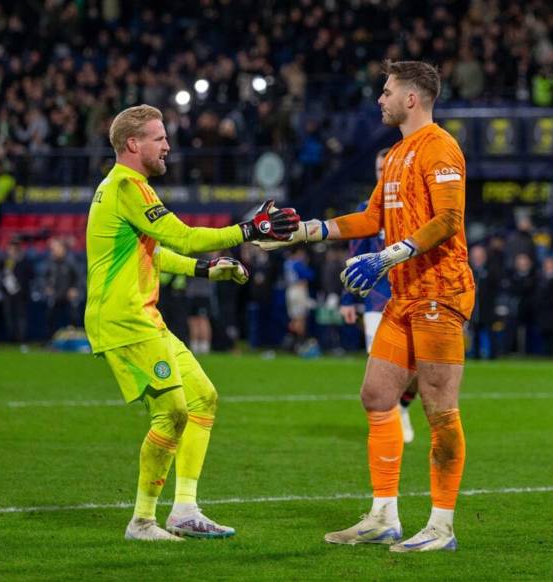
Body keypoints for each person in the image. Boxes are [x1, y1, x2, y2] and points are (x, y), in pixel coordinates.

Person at [259, 60, 474, 552]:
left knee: (440, 410)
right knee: (377, 395)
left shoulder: (439, 147)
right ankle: (384, 516)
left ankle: (442, 525)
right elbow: (370, 216)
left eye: (387, 90)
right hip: (404, 293)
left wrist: (390, 254)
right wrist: (308, 231)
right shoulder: (397, 154)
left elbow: (449, 219)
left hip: (440, 290)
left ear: (412, 98)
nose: (380, 98)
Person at [85, 104, 299, 542]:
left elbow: (155, 252)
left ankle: (184, 510)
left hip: (143, 316)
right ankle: (142, 521)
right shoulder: (128, 186)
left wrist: (204, 270)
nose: (167, 145)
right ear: (133, 144)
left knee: (202, 399)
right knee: (173, 412)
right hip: (123, 320)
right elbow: (183, 236)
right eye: (159, 137)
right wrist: (248, 230)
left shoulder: (126, 188)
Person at [340, 147, 417, 443]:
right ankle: (387, 425)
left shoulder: (414, 205)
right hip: (376, 299)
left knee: (417, 371)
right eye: (377, 170)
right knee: (382, 363)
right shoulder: (367, 208)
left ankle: (403, 406)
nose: (381, 175)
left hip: (412, 296)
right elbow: (355, 256)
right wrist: (349, 299)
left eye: (386, 169)